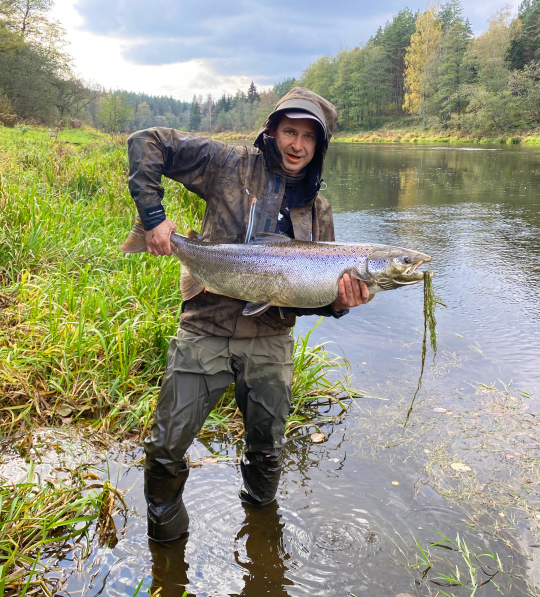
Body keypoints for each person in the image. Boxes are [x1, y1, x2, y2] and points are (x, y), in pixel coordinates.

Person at [126, 87, 369, 542]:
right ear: (272, 131)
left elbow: (315, 295)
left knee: (268, 453)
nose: (297, 145)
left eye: (308, 138)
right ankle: (166, 541)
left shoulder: (319, 210)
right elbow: (147, 141)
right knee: (164, 449)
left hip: (270, 342)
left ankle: (259, 531)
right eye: (289, 132)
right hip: (205, 328)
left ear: (319, 147)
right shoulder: (227, 164)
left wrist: (339, 303)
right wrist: (155, 218)